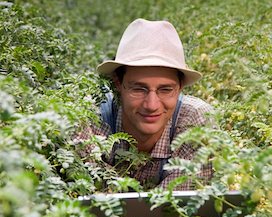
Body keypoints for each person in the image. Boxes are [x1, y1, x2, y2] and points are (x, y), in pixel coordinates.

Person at [76, 18, 214, 190]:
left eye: (165, 90)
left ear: (180, 88)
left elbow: (175, 207)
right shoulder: (88, 118)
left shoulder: (196, 120)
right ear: (118, 83)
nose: (151, 105)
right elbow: (92, 203)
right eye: (139, 89)